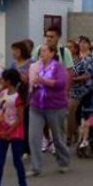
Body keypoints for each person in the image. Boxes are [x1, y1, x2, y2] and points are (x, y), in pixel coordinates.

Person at [27, 44, 71, 177]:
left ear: (52, 53)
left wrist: (43, 81)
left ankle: (63, 161)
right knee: (34, 137)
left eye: (45, 51)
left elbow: (60, 84)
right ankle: (36, 167)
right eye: (41, 51)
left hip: (55, 106)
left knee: (57, 136)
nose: (42, 53)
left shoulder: (58, 67)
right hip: (37, 105)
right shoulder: (36, 66)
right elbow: (31, 81)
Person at [68, 36, 93, 145]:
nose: (82, 44)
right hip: (73, 88)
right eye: (80, 42)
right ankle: (73, 133)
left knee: (85, 112)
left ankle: (84, 135)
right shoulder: (75, 57)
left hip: (87, 87)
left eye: (85, 42)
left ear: (89, 44)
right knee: (71, 111)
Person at [9, 40, 34, 156]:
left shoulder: (31, 63)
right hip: (16, 97)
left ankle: (27, 148)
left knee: (26, 122)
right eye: (13, 50)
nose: (14, 52)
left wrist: (25, 78)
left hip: (28, 97)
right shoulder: (13, 64)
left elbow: (34, 78)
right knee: (16, 121)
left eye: (16, 50)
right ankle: (19, 146)